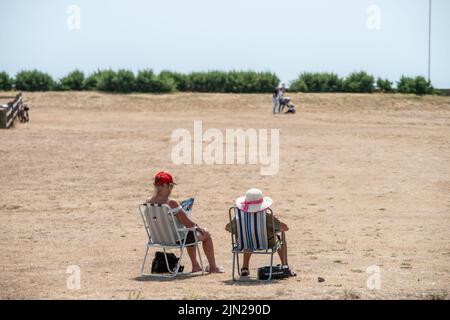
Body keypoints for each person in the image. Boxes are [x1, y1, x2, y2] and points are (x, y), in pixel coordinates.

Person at [146, 171, 224, 274]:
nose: (171, 189)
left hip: (157, 238)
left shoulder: (148, 202)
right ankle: (213, 268)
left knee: (189, 233)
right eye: (171, 186)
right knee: (205, 234)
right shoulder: (171, 203)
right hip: (176, 239)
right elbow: (188, 224)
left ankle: (196, 266)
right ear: (165, 186)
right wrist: (198, 227)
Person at [225, 188, 296, 277]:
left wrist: (241, 231)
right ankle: (285, 266)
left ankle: (245, 268)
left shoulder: (240, 218)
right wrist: (276, 221)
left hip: (245, 244)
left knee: (248, 239)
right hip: (267, 243)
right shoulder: (267, 217)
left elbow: (228, 228)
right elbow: (285, 228)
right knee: (280, 238)